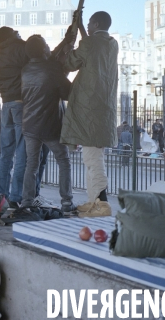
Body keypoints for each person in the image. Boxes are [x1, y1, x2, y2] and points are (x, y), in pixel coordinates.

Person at [61, 11, 118, 217]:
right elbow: (92, 45)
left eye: (89, 25)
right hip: (104, 112)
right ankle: (93, 202)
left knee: (93, 161)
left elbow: (70, 63)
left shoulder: (90, 44)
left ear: (95, 23)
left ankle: (101, 204)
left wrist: (68, 50)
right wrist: (82, 27)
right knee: (93, 158)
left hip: (88, 112)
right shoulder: (111, 44)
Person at [20, 35, 75, 214]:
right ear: (44, 50)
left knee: (32, 164)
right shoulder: (52, 69)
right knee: (63, 161)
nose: (49, 46)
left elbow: (50, 60)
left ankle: (27, 200)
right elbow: (68, 93)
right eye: (46, 44)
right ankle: (67, 202)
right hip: (50, 125)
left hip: (29, 125)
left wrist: (66, 41)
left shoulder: (26, 70)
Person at [0, 26, 29, 208]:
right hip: (22, 103)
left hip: (6, 105)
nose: (18, 32)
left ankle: (0, 196)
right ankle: (15, 197)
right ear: (9, 36)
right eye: (14, 31)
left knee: (6, 154)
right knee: (22, 154)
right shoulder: (22, 48)